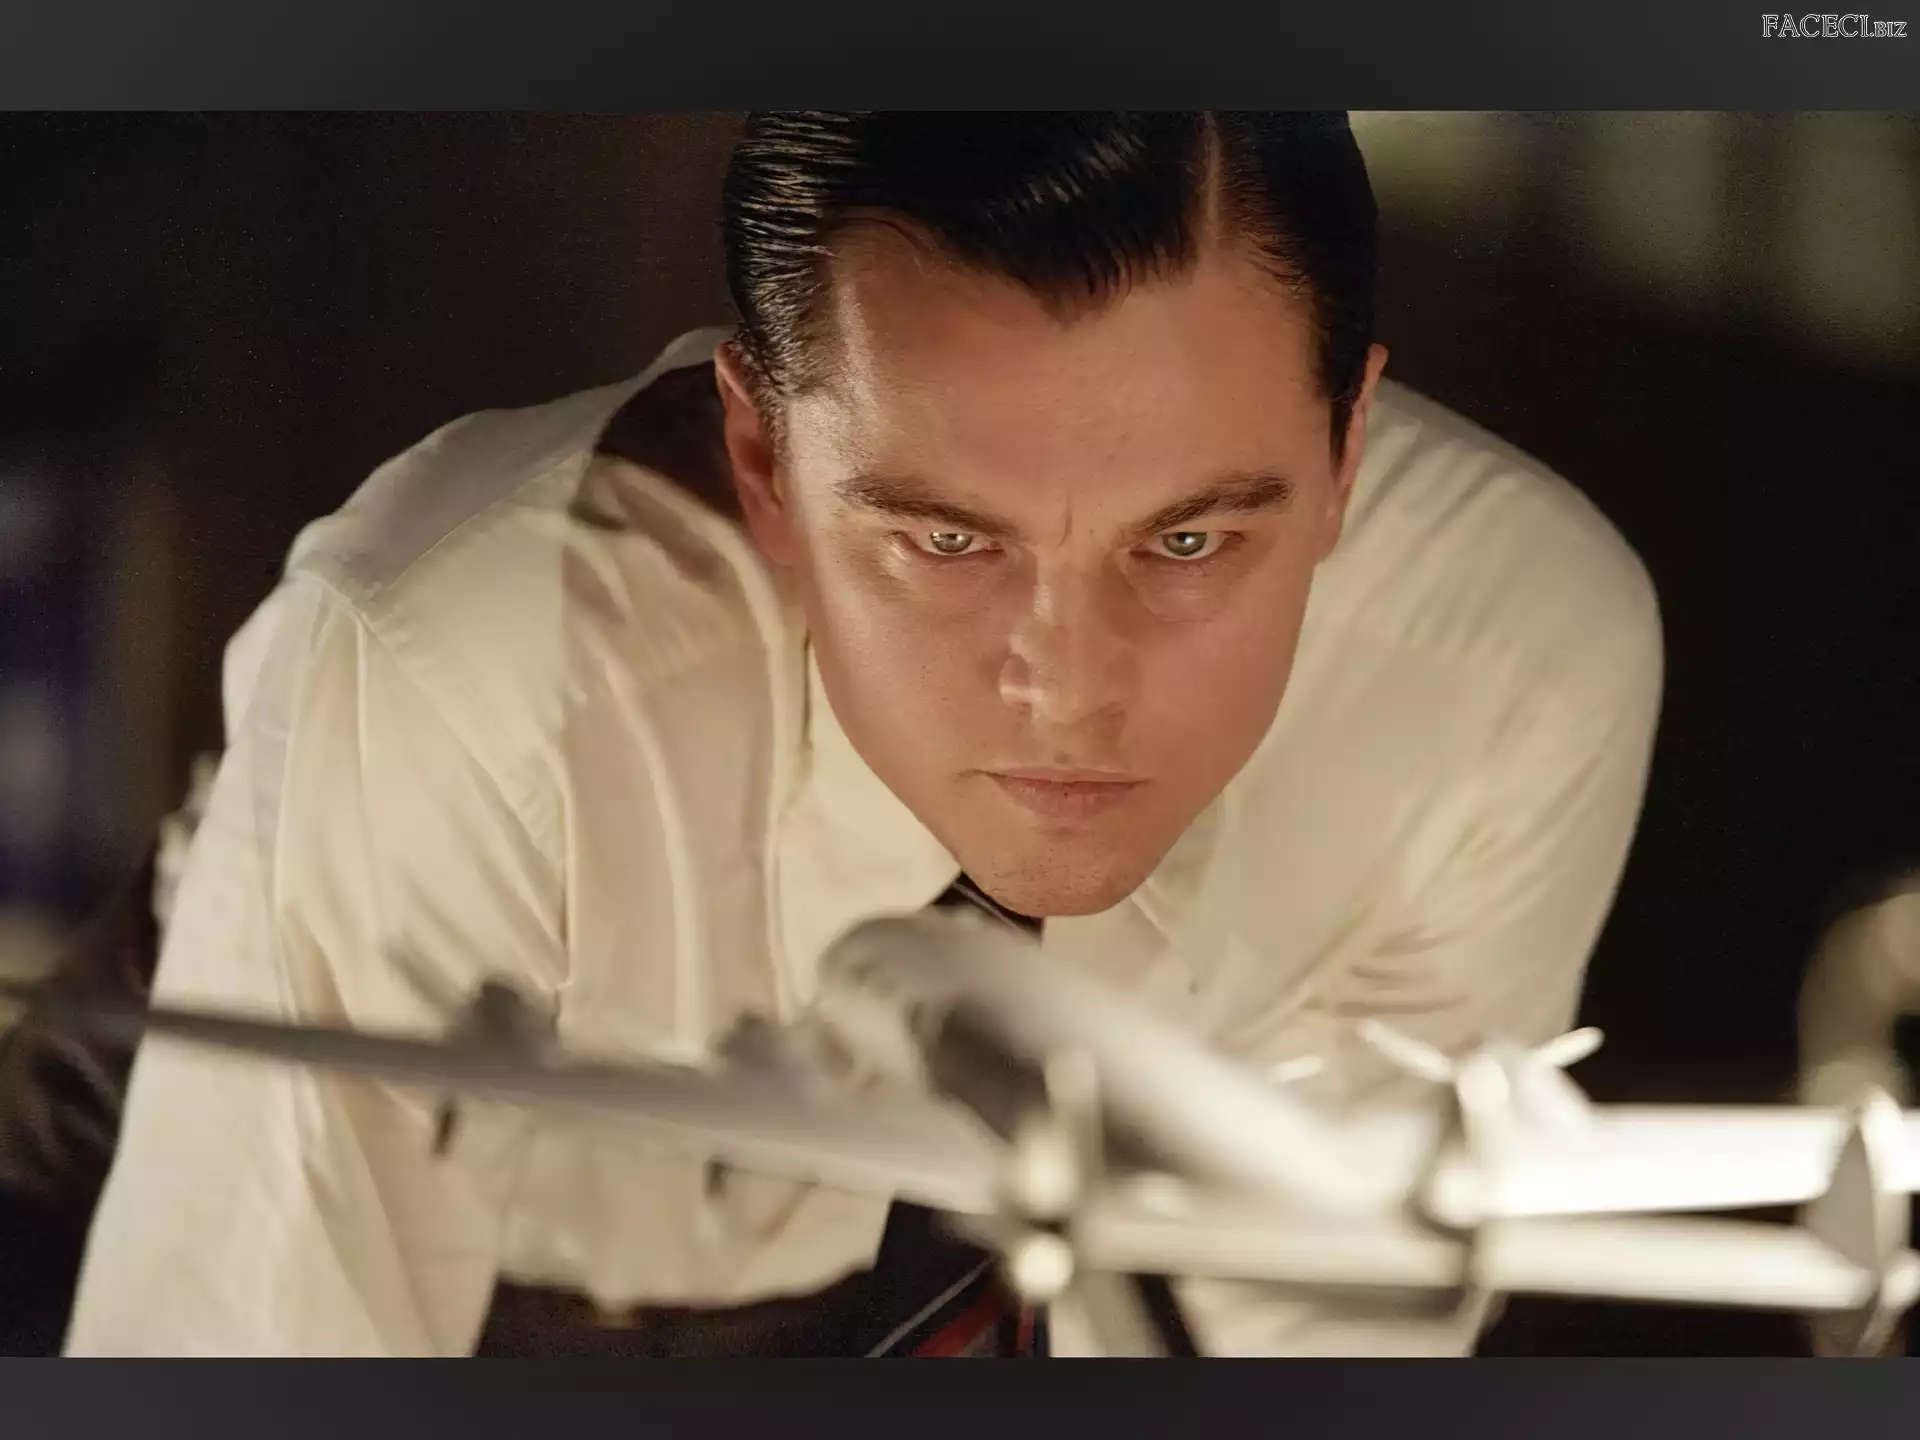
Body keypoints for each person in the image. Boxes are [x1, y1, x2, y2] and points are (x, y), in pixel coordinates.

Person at [58, 112, 1662, 1357]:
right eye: (948, 541)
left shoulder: (1503, 681)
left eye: (1187, 543)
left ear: (1348, 446)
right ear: (765, 460)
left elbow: (1307, 1347)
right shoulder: (467, 687)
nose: (1069, 689)